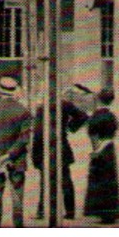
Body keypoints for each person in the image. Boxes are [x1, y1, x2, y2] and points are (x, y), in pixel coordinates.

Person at [0, 76, 31, 228]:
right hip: (17, 160)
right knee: (17, 195)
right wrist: (10, 155)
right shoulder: (23, 111)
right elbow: (24, 138)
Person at [30, 90, 86, 221]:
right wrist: (70, 127)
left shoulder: (41, 109)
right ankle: (70, 211)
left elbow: (38, 134)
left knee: (45, 181)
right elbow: (83, 116)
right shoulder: (65, 105)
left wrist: (35, 155)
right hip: (61, 146)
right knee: (66, 180)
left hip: (45, 148)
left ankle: (42, 210)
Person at [82, 88, 119, 224]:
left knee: (99, 179)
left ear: (98, 99)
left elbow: (92, 134)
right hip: (109, 149)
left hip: (100, 148)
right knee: (110, 179)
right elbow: (114, 131)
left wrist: (96, 150)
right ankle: (111, 210)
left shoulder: (95, 116)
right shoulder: (112, 116)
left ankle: (99, 210)